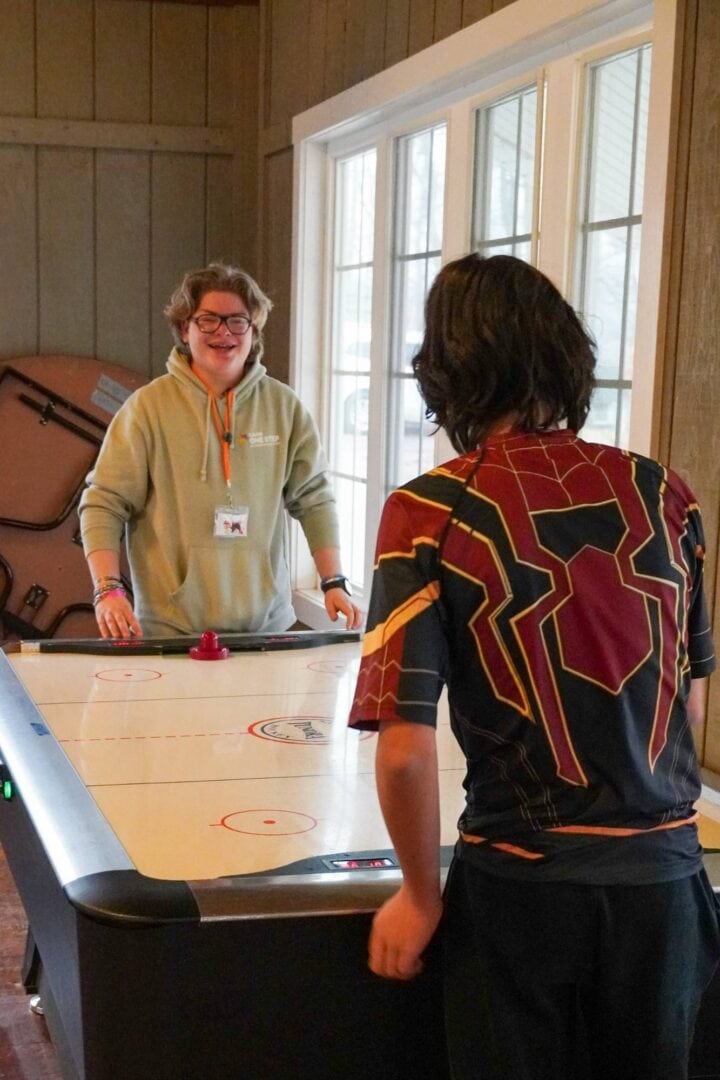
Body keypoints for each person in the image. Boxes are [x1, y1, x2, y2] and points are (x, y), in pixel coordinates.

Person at [349, 253, 719, 1080]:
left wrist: (418, 893)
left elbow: (404, 749)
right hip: (665, 886)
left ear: (447, 371)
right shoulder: (668, 493)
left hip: (520, 889)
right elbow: (687, 708)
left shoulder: (428, 511)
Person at [79, 261, 362, 638]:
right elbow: (103, 503)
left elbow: (314, 499)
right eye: (208, 320)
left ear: (253, 329)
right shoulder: (146, 409)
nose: (223, 332)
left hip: (267, 630)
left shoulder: (284, 407)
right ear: (185, 327)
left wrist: (333, 581)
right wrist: (108, 590)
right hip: (171, 632)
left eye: (237, 321)